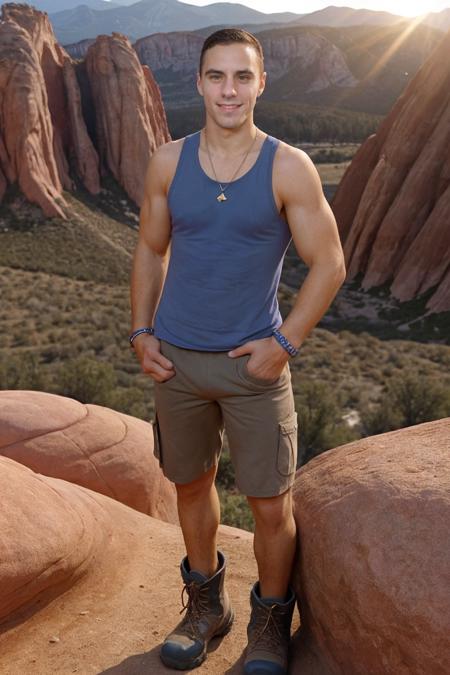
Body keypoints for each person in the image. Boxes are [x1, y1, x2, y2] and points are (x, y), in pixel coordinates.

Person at [130, 27, 346, 674]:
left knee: (270, 503)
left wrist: (285, 342)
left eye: (242, 77)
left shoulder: (288, 166)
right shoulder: (169, 161)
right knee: (191, 486)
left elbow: (329, 261)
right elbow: (148, 248)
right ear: (198, 83)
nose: (229, 90)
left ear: (260, 83)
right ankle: (205, 608)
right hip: (176, 361)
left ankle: (271, 622)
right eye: (217, 76)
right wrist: (140, 333)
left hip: (256, 367)